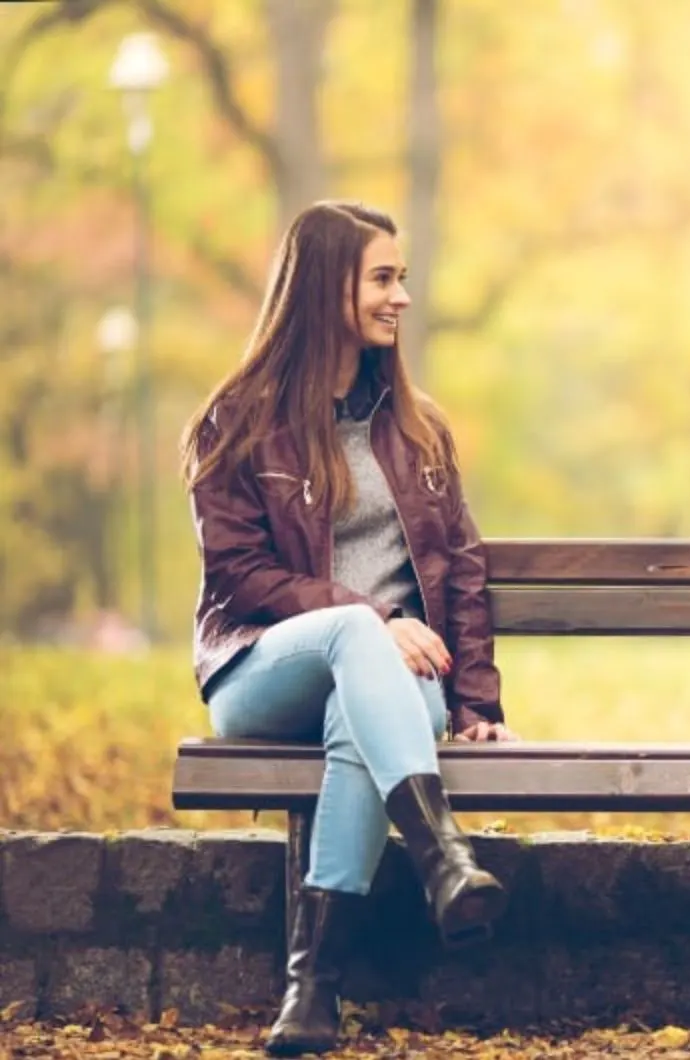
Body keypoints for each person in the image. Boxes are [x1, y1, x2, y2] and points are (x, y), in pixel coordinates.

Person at [179, 200, 518, 1056]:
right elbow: (240, 575)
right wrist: (370, 617)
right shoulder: (236, 421)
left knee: (358, 724)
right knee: (358, 639)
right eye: (382, 278)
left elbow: (464, 568)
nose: (400, 296)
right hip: (263, 668)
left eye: (401, 277)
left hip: (397, 691)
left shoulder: (417, 428)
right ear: (326, 284)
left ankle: (312, 992)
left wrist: (474, 700)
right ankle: (443, 857)